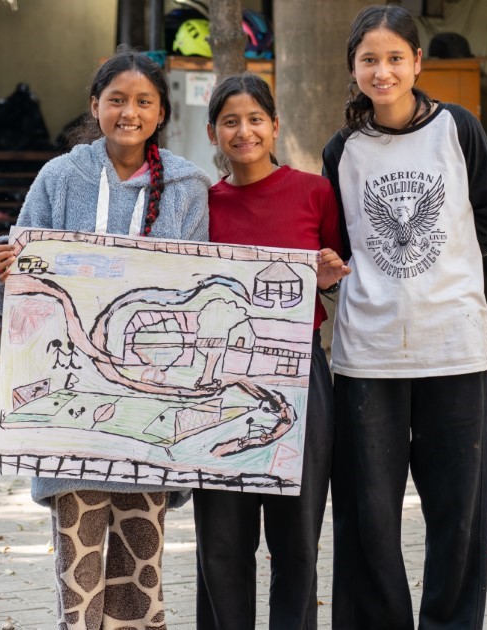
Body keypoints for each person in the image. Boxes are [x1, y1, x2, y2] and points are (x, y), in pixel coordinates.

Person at [0, 49, 210, 629]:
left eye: (143, 101)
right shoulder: (60, 178)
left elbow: (194, 290)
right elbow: (20, 266)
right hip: (71, 420)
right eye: (117, 100)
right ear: (95, 106)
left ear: (160, 113)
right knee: (78, 582)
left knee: (139, 579)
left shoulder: (187, 187)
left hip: (148, 417)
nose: (129, 112)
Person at [321, 6, 487, 630]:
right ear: (353, 68)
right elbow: (341, 244)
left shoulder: (457, 129)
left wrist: (447, 271)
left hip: (453, 347)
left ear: (417, 63)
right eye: (369, 60)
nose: (382, 72)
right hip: (368, 353)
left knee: (458, 512)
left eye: (394, 58)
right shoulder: (343, 150)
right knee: (367, 515)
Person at [192, 73, 350, 630]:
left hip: (300, 375)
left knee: (297, 540)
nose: (244, 132)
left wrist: (328, 278)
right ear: (212, 132)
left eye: (255, 119)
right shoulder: (201, 205)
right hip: (220, 385)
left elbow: (338, 274)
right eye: (230, 122)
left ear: (275, 125)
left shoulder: (315, 193)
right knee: (221, 543)